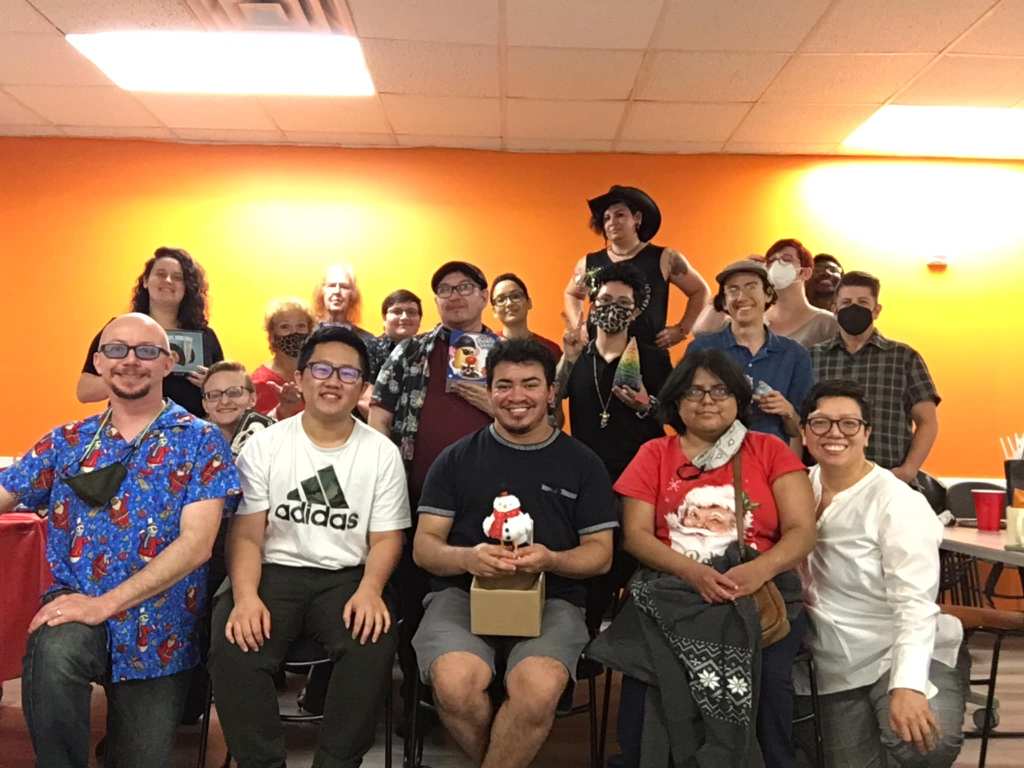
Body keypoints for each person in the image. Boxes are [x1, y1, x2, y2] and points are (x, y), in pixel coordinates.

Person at [0, 313, 239, 768]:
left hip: (162, 631)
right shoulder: (67, 441)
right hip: (75, 609)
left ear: (168, 363)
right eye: (116, 349)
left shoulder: (201, 441)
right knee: (52, 652)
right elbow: (5, 492)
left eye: (146, 351)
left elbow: (197, 544)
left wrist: (105, 605)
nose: (130, 360)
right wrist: (90, 608)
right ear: (98, 362)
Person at [209, 325, 410, 768]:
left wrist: (371, 589)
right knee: (233, 642)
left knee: (372, 641)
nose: (333, 381)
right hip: (273, 571)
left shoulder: (381, 453)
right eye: (321, 369)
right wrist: (245, 597)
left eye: (347, 373)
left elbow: (386, 538)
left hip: (347, 577)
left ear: (362, 386)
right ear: (299, 379)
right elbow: (246, 534)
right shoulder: (265, 446)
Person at [411, 338, 617, 768]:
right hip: (462, 595)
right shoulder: (455, 459)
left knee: (537, 691)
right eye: (504, 385)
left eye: (530, 384)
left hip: (554, 599)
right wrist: (468, 558)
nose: (516, 396)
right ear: (488, 392)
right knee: (454, 685)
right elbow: (424, 547)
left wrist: (552, 559)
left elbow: (600, 555)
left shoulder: (583, 464)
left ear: (551, 392)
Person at [609, 349, 815, 768]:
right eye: (694, 391)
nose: (707, 400)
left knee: (768, 683)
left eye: (720, 390)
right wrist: (694, 573)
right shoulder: (654, 454)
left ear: (739, 398)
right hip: (671, 591)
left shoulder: (769, 450)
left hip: (759, 593)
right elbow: (636, 536)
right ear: (676, 401)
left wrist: (757, 570)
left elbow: (802, 531)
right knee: (645, 678)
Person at [796, 379, 965, 766]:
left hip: (892, 649)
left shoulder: (897, 502)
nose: (834, 433)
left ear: (867, 434)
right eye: (821, 422)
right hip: (829, 660)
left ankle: (941, 675)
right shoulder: (797, 488)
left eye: (849, 423)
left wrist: (908, 684)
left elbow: (914, 603)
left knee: (926, 743)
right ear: (804, 432)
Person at [370, 260, 498, 710]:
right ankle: (417, 697)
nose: (455, 295)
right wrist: (386, 481)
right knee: (412, 597)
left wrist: (492, 405)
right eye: (445, 289)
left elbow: (543, 421)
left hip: (494, 504)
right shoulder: (410, 351)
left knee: (487, 595)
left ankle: (480, 692)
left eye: (465, 287)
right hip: (415, 497)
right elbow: (379, 416)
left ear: (484, 295)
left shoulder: (506, 354)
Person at [809, 271, 940, 482]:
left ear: (876, 310)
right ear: (834, 309)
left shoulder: (904, 358)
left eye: (862, 302)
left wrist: (908, 470)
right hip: (825, 480)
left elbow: (927, 421)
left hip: (890, 479)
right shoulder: (812, 357)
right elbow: (799, 419)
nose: (854, 308)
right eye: (846, 302)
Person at [77, 247, 224, 417]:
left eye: (178, 277)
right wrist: (128, 377)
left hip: (193, 431)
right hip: (129, 429)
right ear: (146, 281)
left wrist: (213, 385)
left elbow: (227, 395)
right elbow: (84, 392)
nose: (168, 280)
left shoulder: (206, 337)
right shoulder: (118, 329)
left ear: (187, 287)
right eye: (161, 274)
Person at [556, 262, 670, 483]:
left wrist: (647, 406)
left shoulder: (655, 359)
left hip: (643, 478)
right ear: (593, 306)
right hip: (586, 477)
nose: (612, 308)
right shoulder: (576, 356)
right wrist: (567, 359)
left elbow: (678, 417)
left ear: (635, 312)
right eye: (605, 300)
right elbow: (551, 400)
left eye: (623, 302)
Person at [564, 185, 710, 356]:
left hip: (648, 357)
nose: (612, 222)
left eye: (620, 215)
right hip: (597, 357)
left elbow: (700, 290)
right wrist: (579, 326)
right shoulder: (589, 263)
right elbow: (572, 294)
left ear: (637, 218)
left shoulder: (665, 258)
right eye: (606, 218)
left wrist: (682, 330)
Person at [686, 259, 813, 453]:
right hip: (712, 460)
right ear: (724, 302)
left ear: (768, 294)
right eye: (733, 290)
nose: (741, 297)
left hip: (770, 461)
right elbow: (683, 413)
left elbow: (799, 430)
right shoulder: (701, 348)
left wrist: (787, 410)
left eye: (751, 287)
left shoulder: (795, 354)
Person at [694, 241, 838, 349]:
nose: (777, 265)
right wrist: (734, 282)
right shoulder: (749, 316)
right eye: (771, 261)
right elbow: (702, 333)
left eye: (786, 259)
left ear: (805, 273)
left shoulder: (826, 323)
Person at [251, 297, 314, 418]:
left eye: (301, 326)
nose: (294, 332)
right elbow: (258, 426)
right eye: (285, 327)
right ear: (272, 335)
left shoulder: (319, 373)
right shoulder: (261, 382)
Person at [490, 272, 561, 361]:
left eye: (515, 296)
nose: (509, 303)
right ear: (494, 311)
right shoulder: (485, 348)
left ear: (529, 303)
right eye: (501, 300)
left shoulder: (550, 349)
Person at [367, 289, 423, 377]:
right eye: (397, 312)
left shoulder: (427, 350)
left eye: (411, 312)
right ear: (384, 318)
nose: (404, 317)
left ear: (420, 320)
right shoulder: (368, 349)